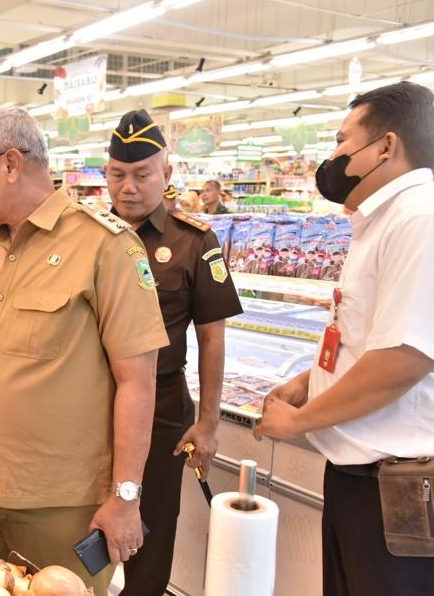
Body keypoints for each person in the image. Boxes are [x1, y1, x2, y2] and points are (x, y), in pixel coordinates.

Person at [0, 107, 169, 594]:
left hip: (58, 508)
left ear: (11, 163)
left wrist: (126, 498)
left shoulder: (105, 246)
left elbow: (138, 381)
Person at [256, 81, 434, 596]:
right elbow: (369, 338)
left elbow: (404, 358)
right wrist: (311, 380)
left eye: (343, 141)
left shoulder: (424, 218)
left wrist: (299, 420)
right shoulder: (382, 223)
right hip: (365, 482)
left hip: (403, 490)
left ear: (385, 146)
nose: (334, 156)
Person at [107, 109, 243, 596]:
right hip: (88, 405)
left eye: (142, 174)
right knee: (81, 525)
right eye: (117, 174)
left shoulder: (193, 241)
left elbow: (212, 338)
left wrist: (208, 424)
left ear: (165, 174)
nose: (128, 187)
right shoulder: (88, 236)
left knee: (152, 528)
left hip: (162, 409)